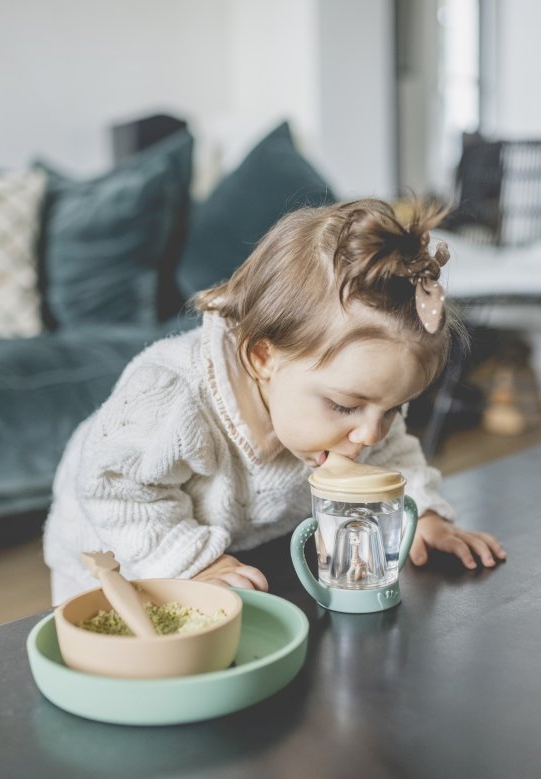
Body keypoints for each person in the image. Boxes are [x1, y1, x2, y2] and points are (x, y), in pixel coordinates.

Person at [44, 198, 506, 603]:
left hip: (231, 547)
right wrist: (191, 563)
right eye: (346, 406)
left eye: (393, 408)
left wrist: (421, 514)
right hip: (111, 550)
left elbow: (391, 456)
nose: (370, 433)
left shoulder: (359, 416)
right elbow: (116, 490)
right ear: (264, 356)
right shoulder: (170, 397)